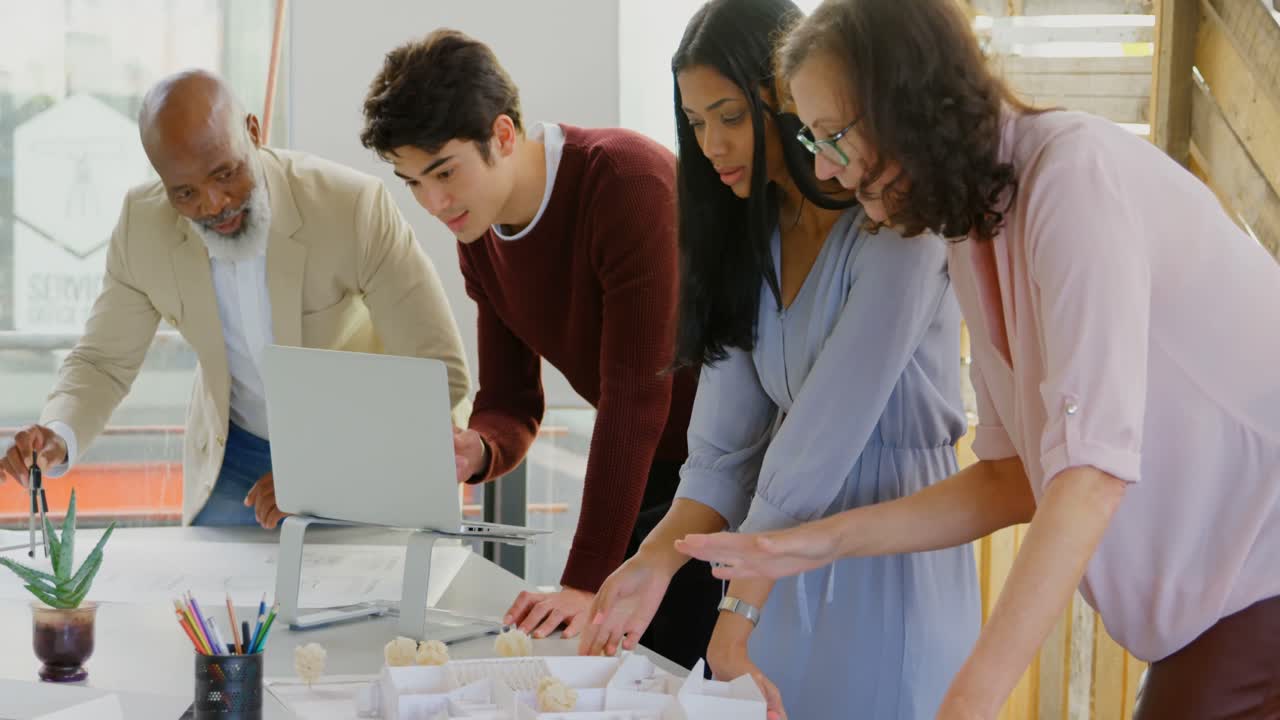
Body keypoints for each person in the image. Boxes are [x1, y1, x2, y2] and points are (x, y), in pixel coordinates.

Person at [675, 1, 1280, 718]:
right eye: (814, 139)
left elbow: (1088, 477)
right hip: (1214, 603)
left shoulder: (1072, 177)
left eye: (836, 135)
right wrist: (814, 544)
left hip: (1258, 571)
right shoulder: (971, 227)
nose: (827, 171)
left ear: (908, 96)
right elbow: (1012, 479)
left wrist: (970, 699)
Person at [579, 1, 980, 717]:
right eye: (695, 122)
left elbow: (819, 444)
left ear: (791, 101)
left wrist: (738, 618)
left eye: (729, 116)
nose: (710, 145)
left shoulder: (899, 234)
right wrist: (655, 560)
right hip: (776, 574)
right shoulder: (750, 240)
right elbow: (723, 449)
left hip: (886, 564)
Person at [359, 29, 720, 669]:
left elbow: (637, 399)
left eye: (444, 172)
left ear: (501, 135)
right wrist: (481, 447)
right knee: (621, 675)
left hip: (728, 471)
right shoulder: (477, 230)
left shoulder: (624, 181)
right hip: (655, 472)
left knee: (680, 678)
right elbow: (510, 398)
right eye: (412, 182)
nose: (433, 203)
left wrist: (584, 580)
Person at [0, 70, 472, 530]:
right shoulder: (141, 226)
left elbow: (439, 375)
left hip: (360, 450)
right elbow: (103, 362)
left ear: (253, 132)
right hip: (235, 457)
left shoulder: (350, 207)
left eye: (226, 173)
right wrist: (57, 435)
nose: (213, 204)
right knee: (221, 605)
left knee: (356, 601)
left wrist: (328, 473)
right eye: (184, 192)